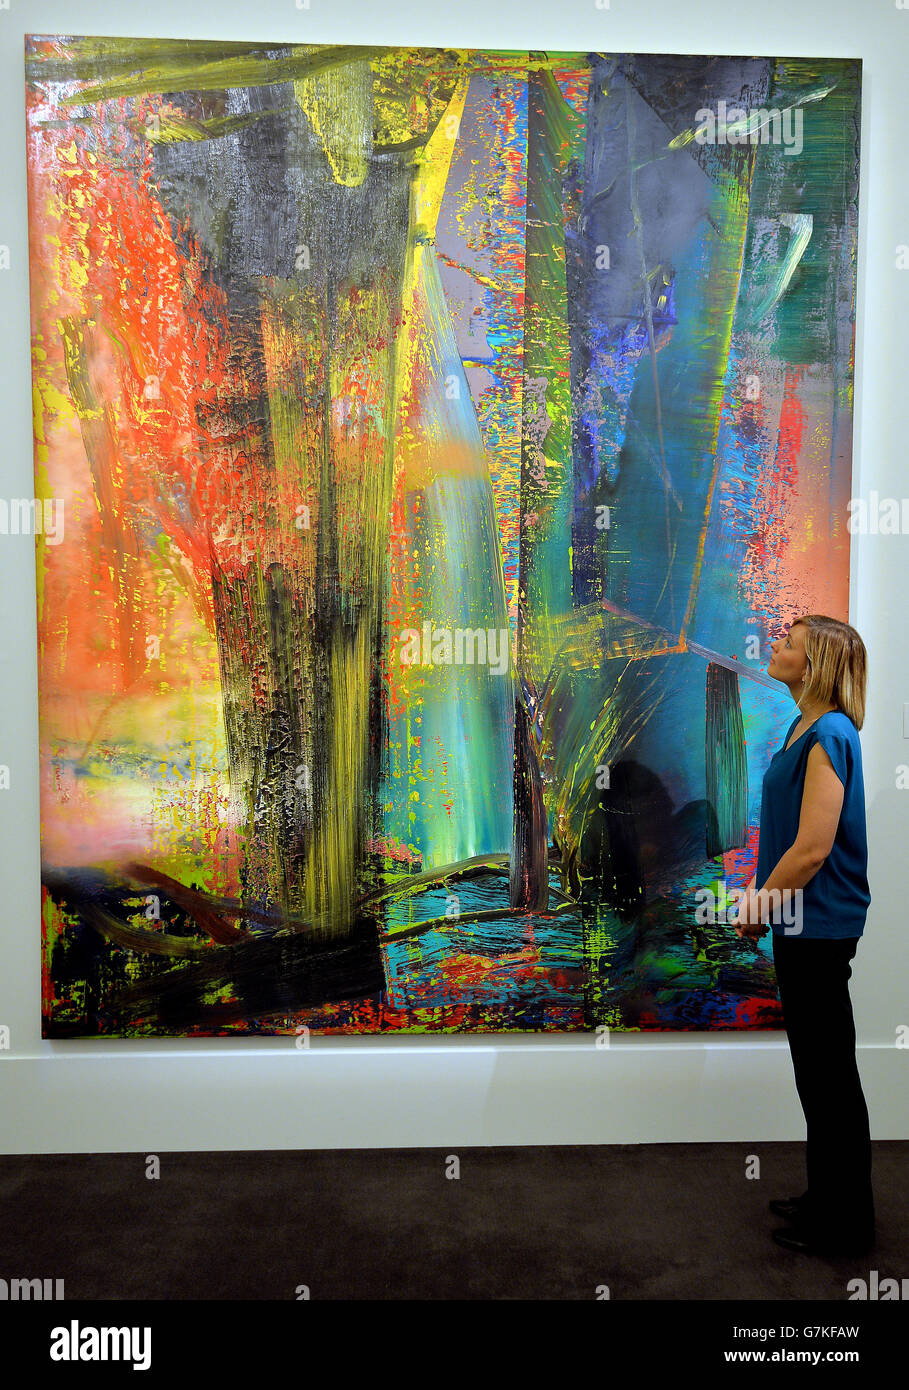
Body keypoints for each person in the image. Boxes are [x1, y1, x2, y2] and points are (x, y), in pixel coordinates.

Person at [730, 614, 874, 1256]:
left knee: (830, 1076)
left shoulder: (832, 733)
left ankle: (846, 1228)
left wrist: (760, 902)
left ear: (814, 664)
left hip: (818, 924)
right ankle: (828, 1199)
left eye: (788, 643)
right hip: (801, 921)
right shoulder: (803, 727)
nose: (775, 646)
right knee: (818, 1074)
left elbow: (813, 848)